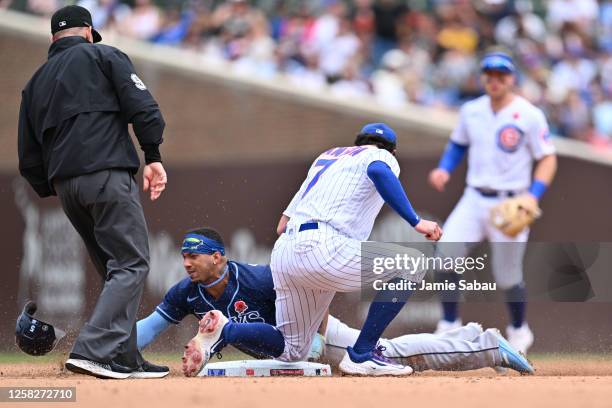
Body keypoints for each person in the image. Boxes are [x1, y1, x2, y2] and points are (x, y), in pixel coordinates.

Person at [181, 123, 445, 377]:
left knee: (293, 349)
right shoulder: (379, 155)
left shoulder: (328, 159)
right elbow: (379, 170)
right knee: (412, 263)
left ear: (357, 143)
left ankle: (226, 331)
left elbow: (281, 225)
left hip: (286, 252)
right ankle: (362, 354)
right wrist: (416, 221)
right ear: (392, 151)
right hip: (324, 246)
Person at [137, 227, 534, 375]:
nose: (186, 261)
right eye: (184, 255)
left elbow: (305, 290)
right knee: (389, 352)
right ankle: (471, 338)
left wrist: (313, 329)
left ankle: (485, 346)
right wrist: (112, 348)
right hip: (286, 349)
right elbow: (151, 327)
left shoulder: (257, 277)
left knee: (396, 355)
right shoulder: (186, 292)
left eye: (195, 255)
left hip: (319, 338)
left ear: (218, 257)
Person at [18, 5, 168, 379]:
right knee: (132, 263)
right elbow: (145, 108)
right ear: (88, 31)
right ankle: (92, 350)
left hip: (67, 186)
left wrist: (54, 185)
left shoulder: (35, 82)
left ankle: (124, 357)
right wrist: (152, 155)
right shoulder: (104, 54)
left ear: (53, 38)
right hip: (105, 173)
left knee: (117, 269)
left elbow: (28, 155)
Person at [428, 52, 558, 354]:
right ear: (483, 77)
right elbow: (458, 144)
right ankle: (449, 325)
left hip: (510, 202)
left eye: (502, 75)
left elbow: (548, 158)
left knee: (508, 275)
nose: (496, 80)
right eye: (490, 74)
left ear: (512, 79)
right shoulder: (471, 110)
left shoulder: (529, 114)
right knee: (444, 256)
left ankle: (519, 330)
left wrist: (532, 196)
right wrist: (445, 168)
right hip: (474, 197)